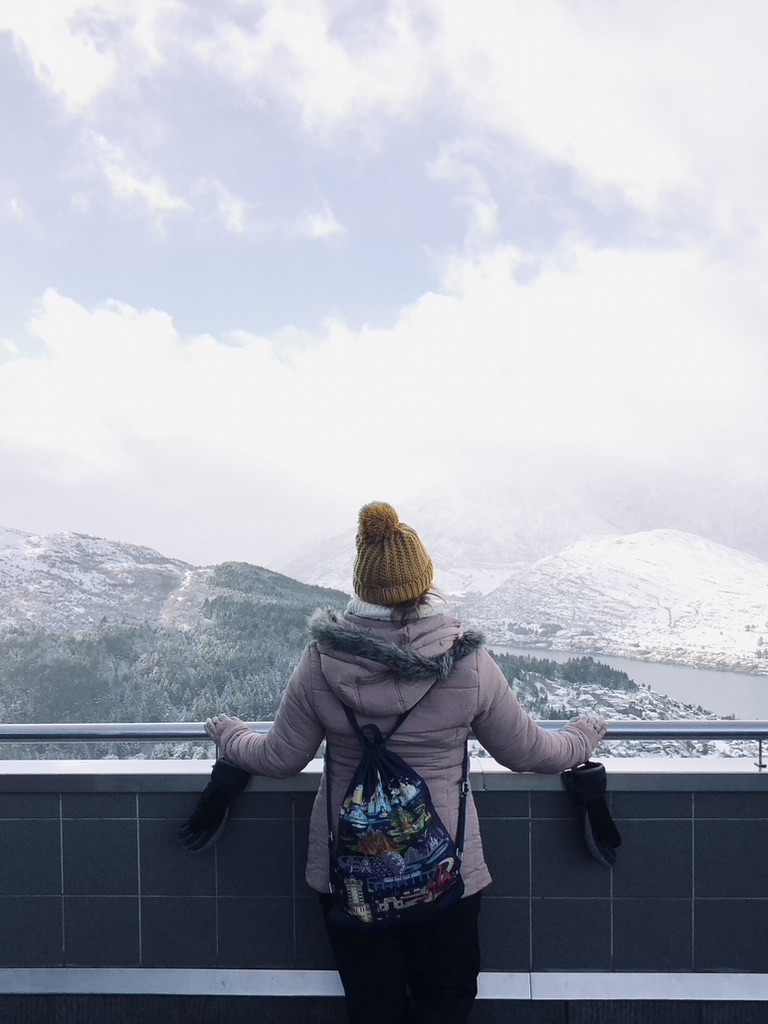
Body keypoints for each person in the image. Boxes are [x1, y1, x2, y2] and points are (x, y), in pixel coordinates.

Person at [195, 501, 606, 1024]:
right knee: (445, 1003)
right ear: (425, 581)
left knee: (374, 1008)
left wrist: (230, 733)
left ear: (362, 586)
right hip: (446, 867)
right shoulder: (469, 664)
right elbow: (530, 752)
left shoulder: (322, 661)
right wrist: (582, 736)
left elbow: (279, 758)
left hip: (352, 873)